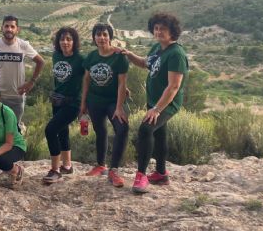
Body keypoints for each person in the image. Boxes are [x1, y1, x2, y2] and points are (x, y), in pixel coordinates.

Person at [122, 13, 189, 194]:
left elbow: (174, 86)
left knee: (145, 130)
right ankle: (161, 174)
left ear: (172, 31)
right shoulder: (158, 48)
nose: (158, 32)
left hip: (166, 104)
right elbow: (146, 63)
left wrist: (157, 109)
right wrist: (129, 55)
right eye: (156, 28)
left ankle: (141, 176)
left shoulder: (176, 54)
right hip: (154, 101)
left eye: (163, 29)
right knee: (159, 134)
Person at [80, 23, 129, 187]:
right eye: (98, 34)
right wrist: (83, 103)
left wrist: (119, 107)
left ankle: (114, 170)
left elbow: (122, 84)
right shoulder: (91, 57)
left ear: (110, 37)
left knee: (122, 129)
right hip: (94, 100)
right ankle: (101, 165)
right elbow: (86, 80)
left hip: (114, 101)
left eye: (105, 34)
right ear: (94, 38)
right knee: (100, 131)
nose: (101, 38)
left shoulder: (119, 57)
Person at [0, 15, 45, 126]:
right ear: (2, 28)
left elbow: (41, 62)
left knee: (14, 129)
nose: (9, 29)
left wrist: (31, 82)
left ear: (17, 29)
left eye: (12, 26)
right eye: (6, 26)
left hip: (17, 97)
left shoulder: (23, 45)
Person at [42, 26, 84, 184]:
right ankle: (67, 165)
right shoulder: (56, 56)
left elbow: (92, 74)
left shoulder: (80, 59)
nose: (65, 42)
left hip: (73, 103)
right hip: (57, 101)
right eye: (62, 39)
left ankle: (55, 170)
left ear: (74, 42)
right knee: (62, 131)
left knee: (50, 130)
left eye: (69, 39)